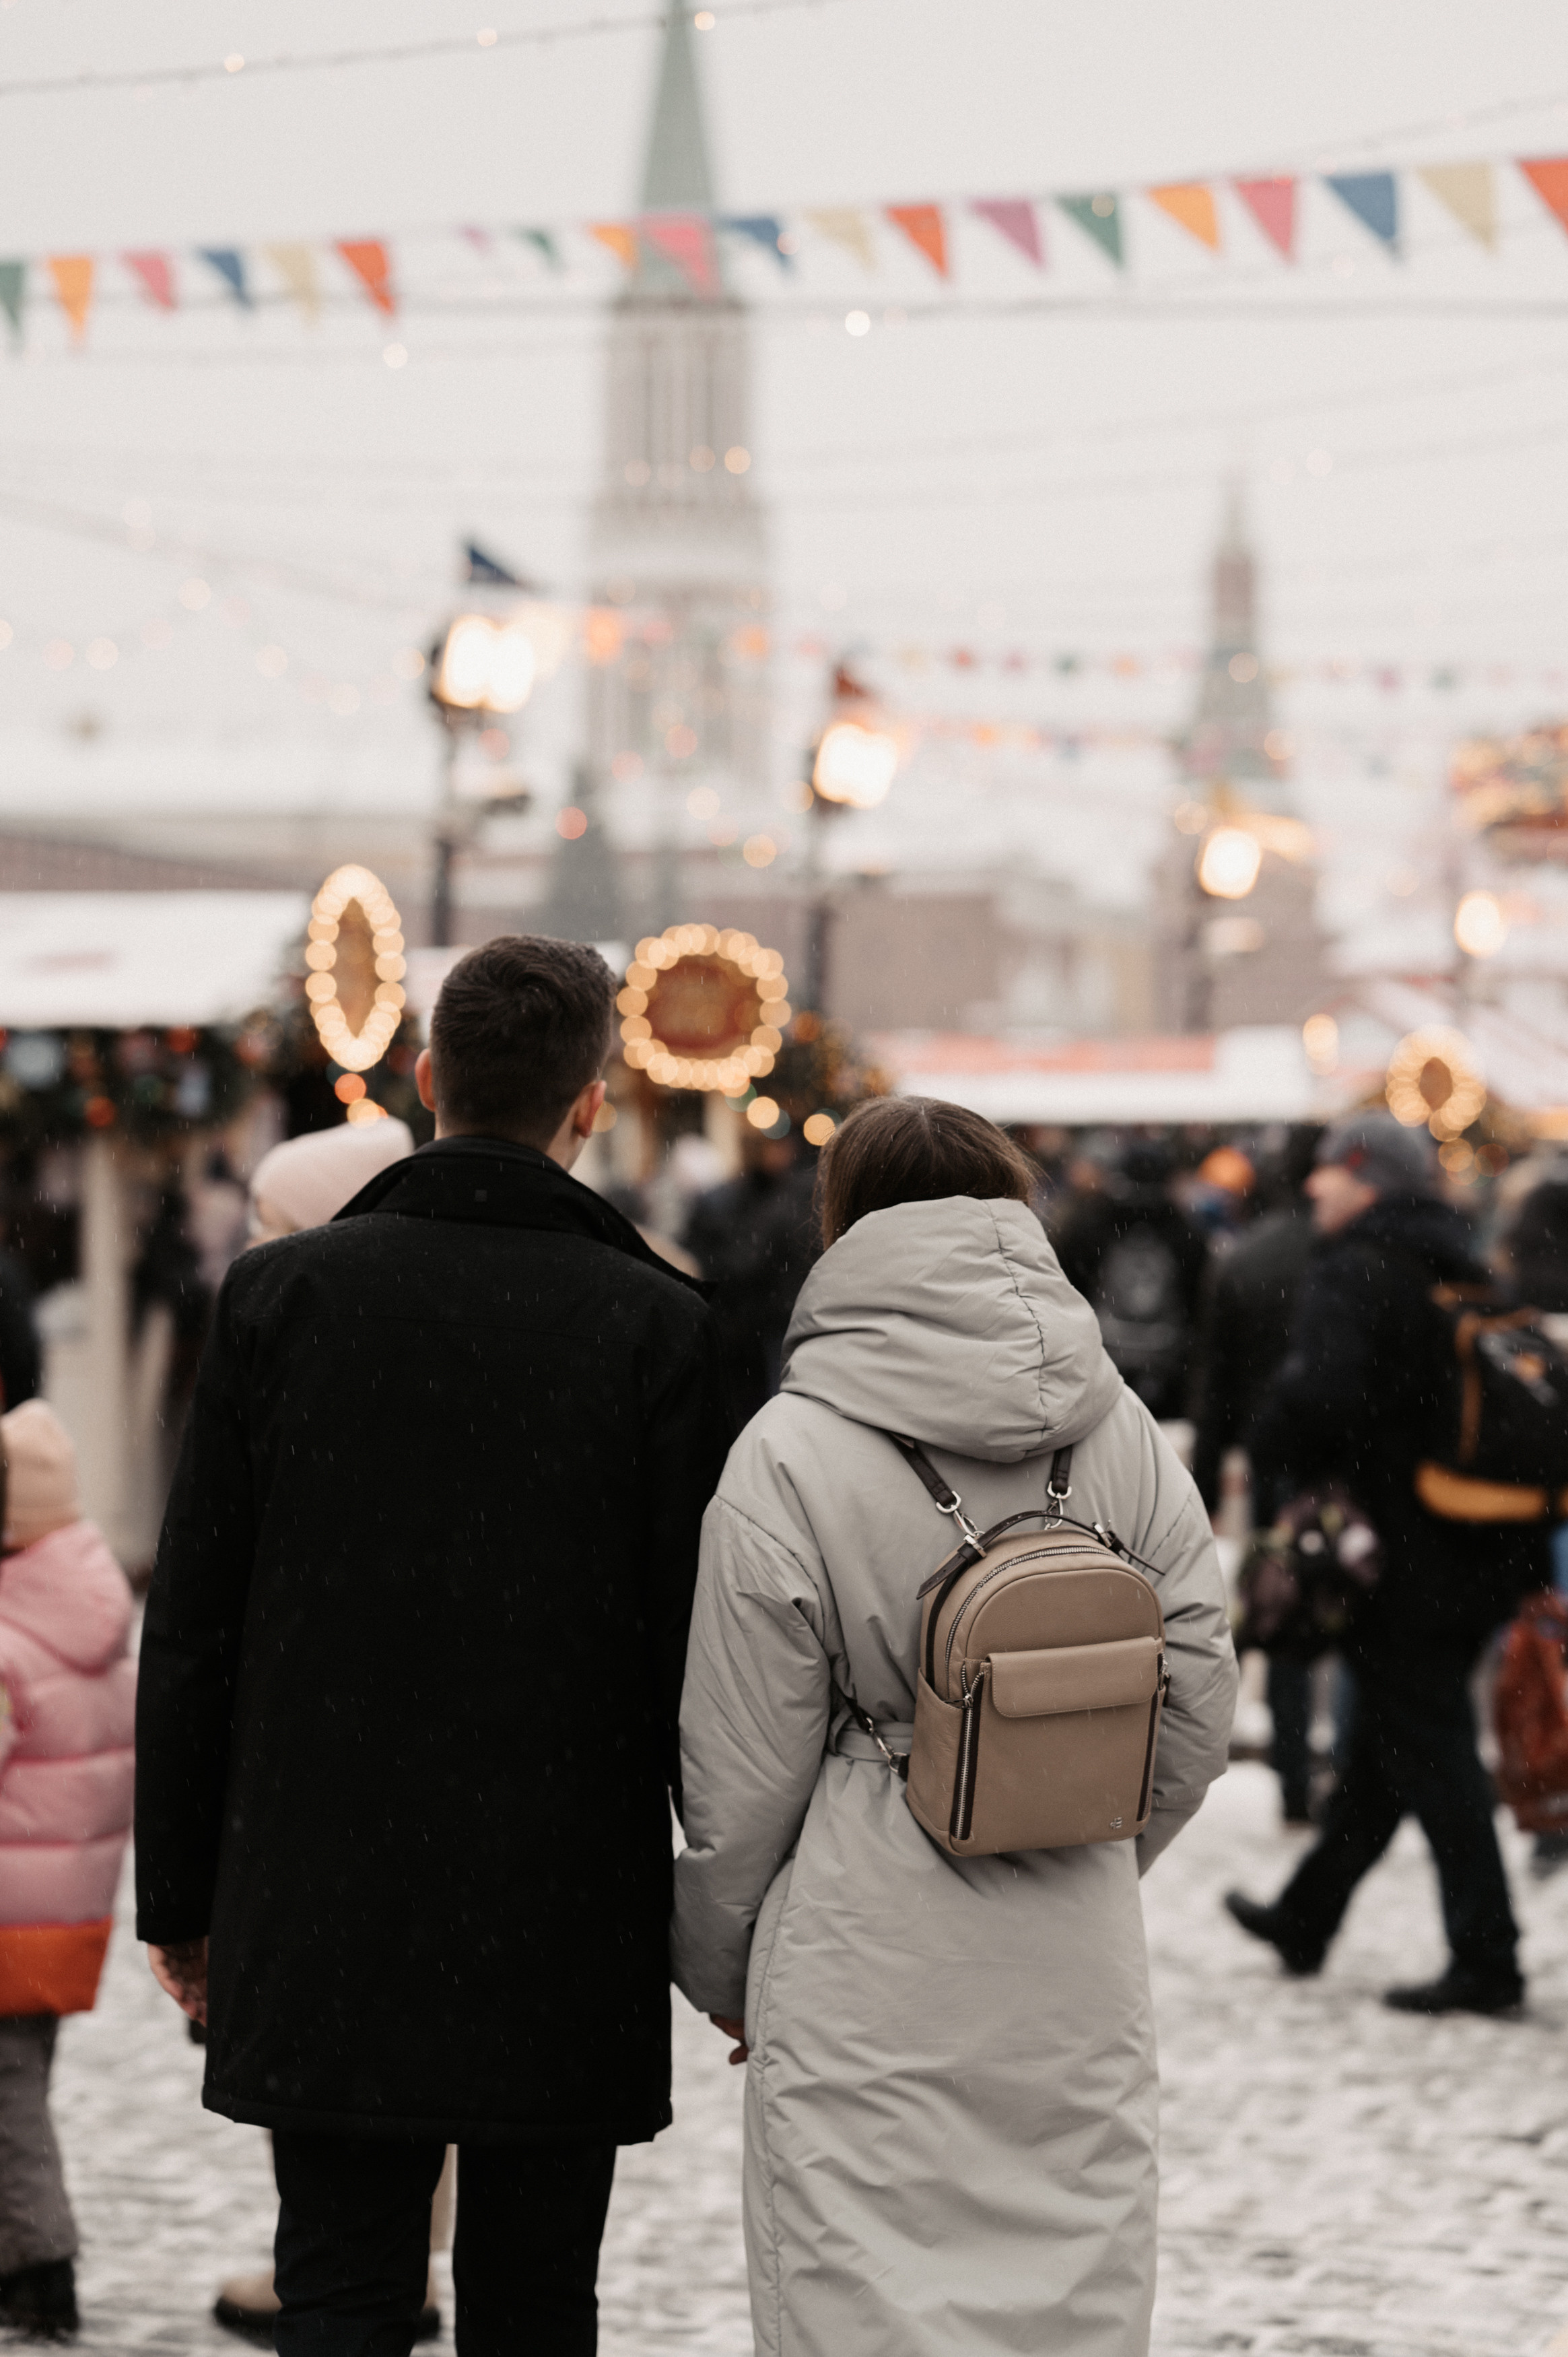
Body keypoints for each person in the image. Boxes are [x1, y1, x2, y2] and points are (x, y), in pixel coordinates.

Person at [135, 935, 732, 2357]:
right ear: (590, 1102)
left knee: (341, 2293)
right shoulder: (657, 1327)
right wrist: (728, 1913)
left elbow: (198, 1619)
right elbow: (696, 1661)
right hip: (560, 1904)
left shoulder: (285, 1303)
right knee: (535, 2306)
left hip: (322, 1876)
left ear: (424, 1078)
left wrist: (180, 1896)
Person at [673, 1096, 1237, 2357]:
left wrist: (725, 1969)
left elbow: (741, 1763)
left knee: (861, 2301)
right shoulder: (1122, 1435)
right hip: (1070, 1944)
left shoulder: (789, 1449)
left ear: (842, 1227)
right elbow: (1195, 1690)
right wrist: (1080, 1820)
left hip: (863, 1941)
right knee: (1067, 2306)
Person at [1224, 1113, 1546, 2015]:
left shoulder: (1358, 1267)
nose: (1314, 1189)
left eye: (1328, 1175)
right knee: (1386, 1747)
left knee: (1431, 1748)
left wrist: (1268, 1439)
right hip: (1482, 1541)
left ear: (1364, 1178)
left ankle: (1487, 1959)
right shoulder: (1457, 1260)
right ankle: (1307, 1914)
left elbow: (1325, 1393)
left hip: (1410, 1554)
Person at [0, 1399, 137, 2342]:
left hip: (5, 1913)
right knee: (20, 2090)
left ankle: (41, 2270)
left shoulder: (8, 1637)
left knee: (6, 2108)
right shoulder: (81, 1611)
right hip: (61, 1912)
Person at [1190, 1126, 1322, 1824]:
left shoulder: (1246, 1258)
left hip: (1275, 1468)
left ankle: (1296, 1780)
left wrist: (1208, 1483)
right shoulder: (1348, 1257)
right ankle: (1360, 1773)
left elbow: (1216, 1387)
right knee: (1365, 1623)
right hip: (1353, 1467)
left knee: (1286, 1619)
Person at [1052, 1135, 1210, 1422]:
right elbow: (1199, 1305)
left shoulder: (1088, 1226)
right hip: (1166, 1372)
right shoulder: (1186, 1232)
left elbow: (1064, 1294)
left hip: (1098, 1371)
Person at [681, 1129, 819, 1424]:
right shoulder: (792, 1197)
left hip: (769, 1315)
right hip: (778, 1313)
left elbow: (745, 1261)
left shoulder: (771, 1199)